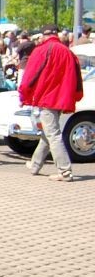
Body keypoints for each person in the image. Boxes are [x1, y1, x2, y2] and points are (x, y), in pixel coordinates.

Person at [19, 25, 83, 181]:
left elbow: (30, 75)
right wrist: (76, 96)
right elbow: (78, 78)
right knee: (48, 133)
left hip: (47, 98)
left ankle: (65, 171)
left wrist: (23, 94)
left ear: (43, 35)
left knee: (52, 134)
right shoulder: (68, 52)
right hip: (62, 98)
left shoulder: (41, 50)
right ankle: (35, 165)